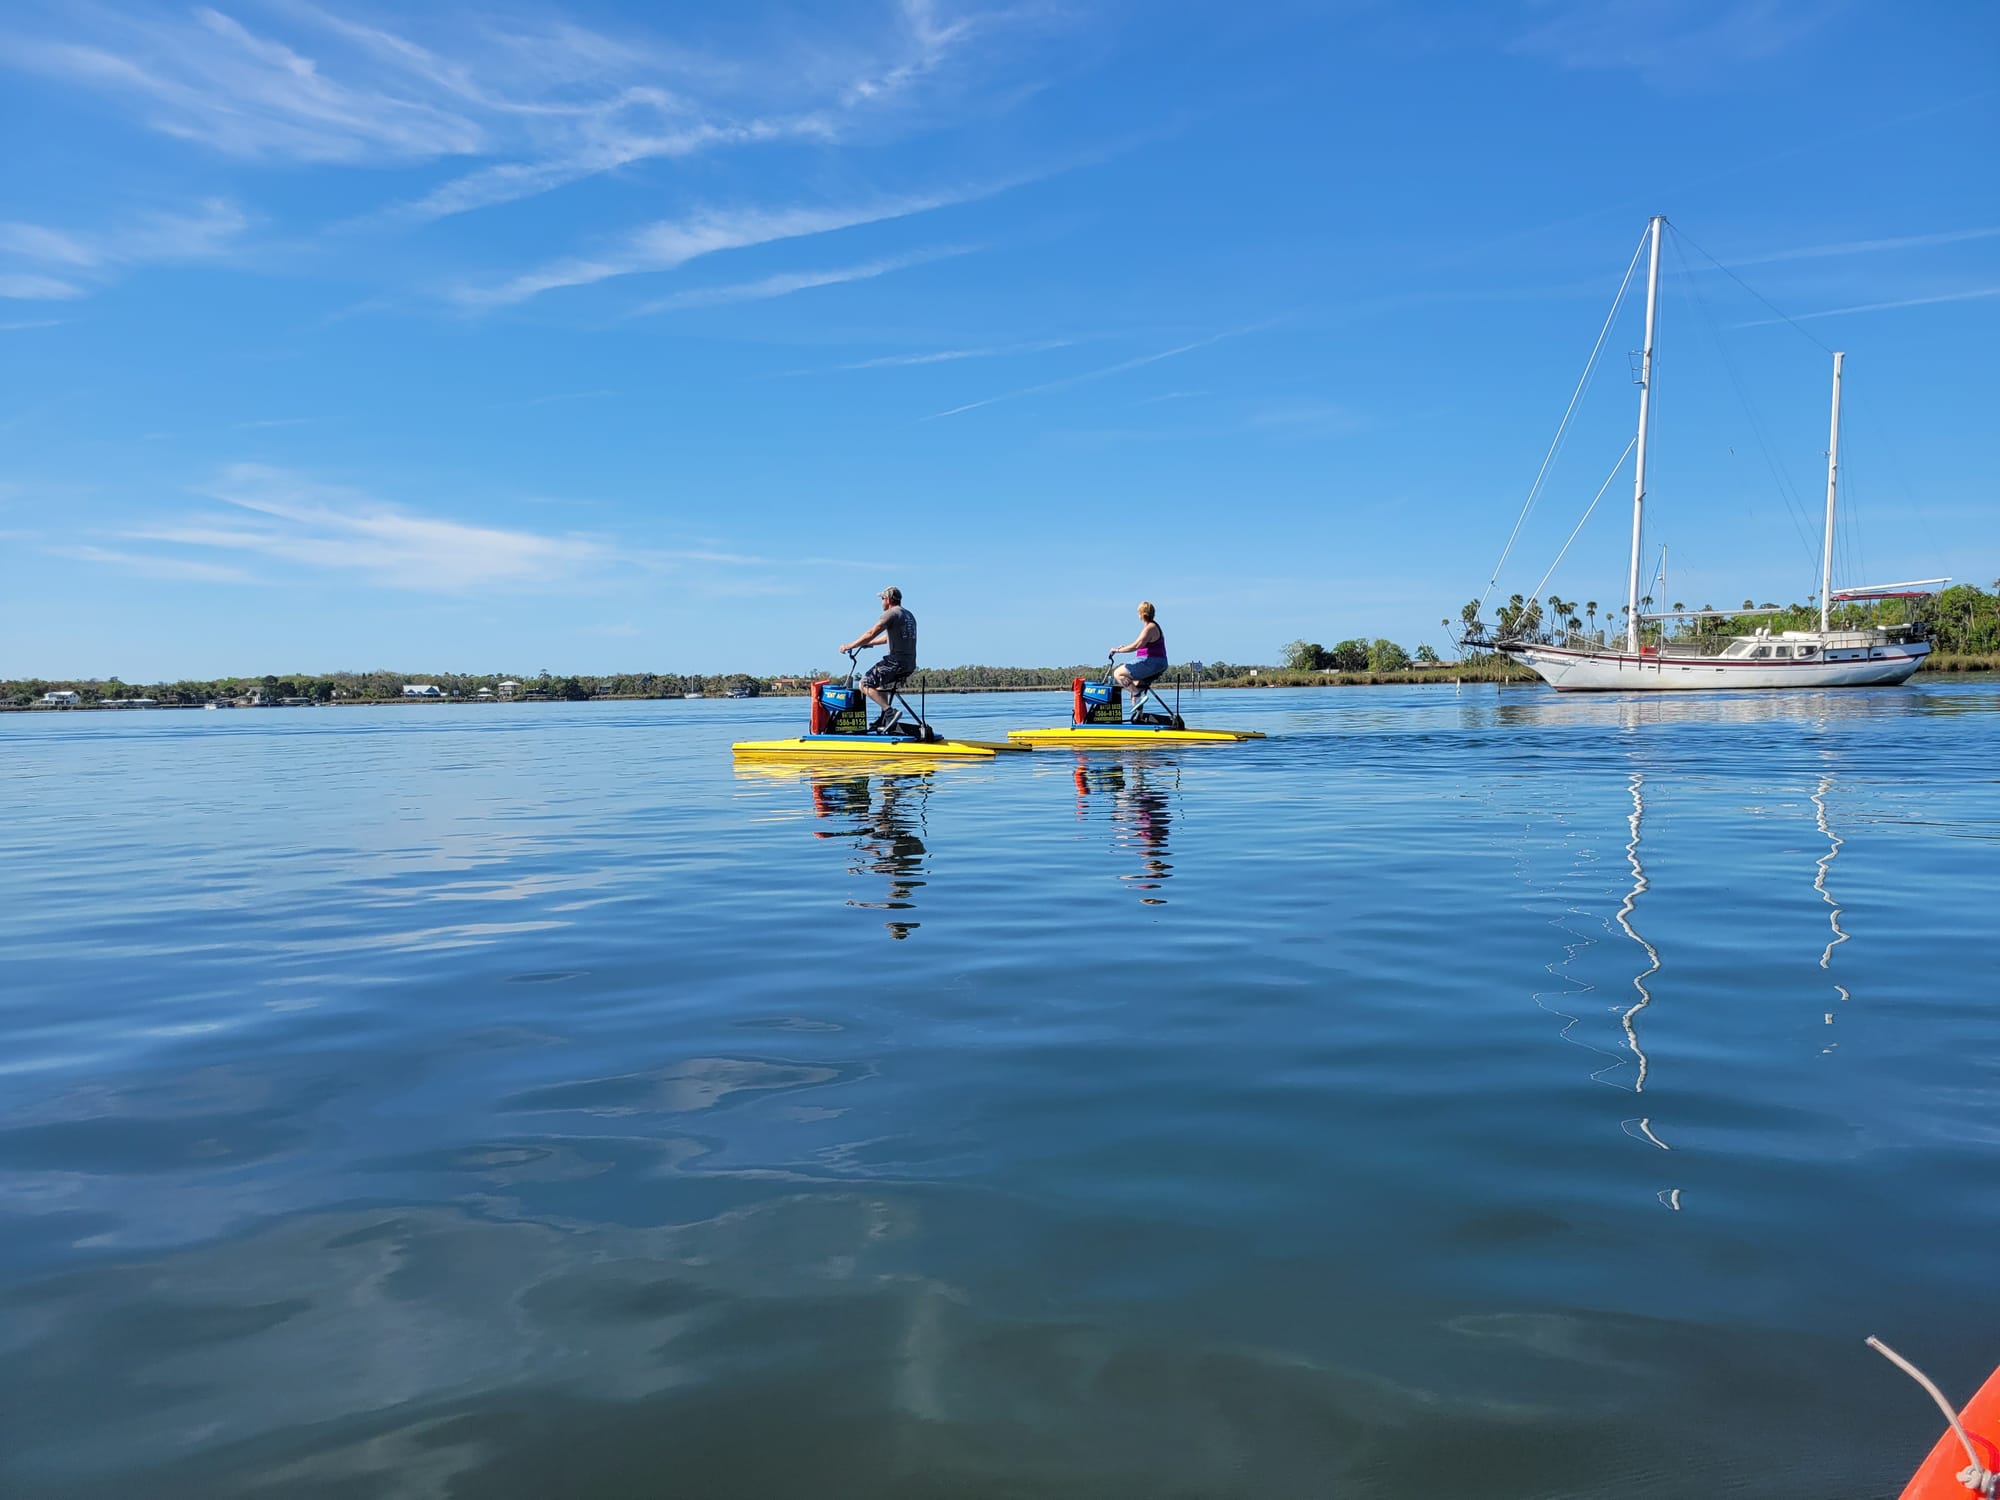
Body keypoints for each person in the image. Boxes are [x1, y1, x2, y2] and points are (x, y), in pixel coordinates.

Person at [839, 586, 918, 731]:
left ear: (888, 600)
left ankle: (889, 712)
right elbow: (888, 638)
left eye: (882, 599)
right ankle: (884, 719)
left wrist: (850, 645)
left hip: (896, 662)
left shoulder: (891, 614)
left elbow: (871, 632)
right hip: (909, 664)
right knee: (880, 685)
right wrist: (868, 644)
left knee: (864, 683)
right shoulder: (908, 615)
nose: (881, 602)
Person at [1109, 600, 1167, 714]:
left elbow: (1136, 645)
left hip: (1152, 662)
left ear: (1142, 614)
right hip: (1155, 662)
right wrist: (1124, 647)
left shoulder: (1150, 628)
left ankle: (1136, 693)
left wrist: (1118, 650)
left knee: (1117, 673)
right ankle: (1139, 715)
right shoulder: (1151, 627)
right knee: (1135, 685)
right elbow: (1140, 645)